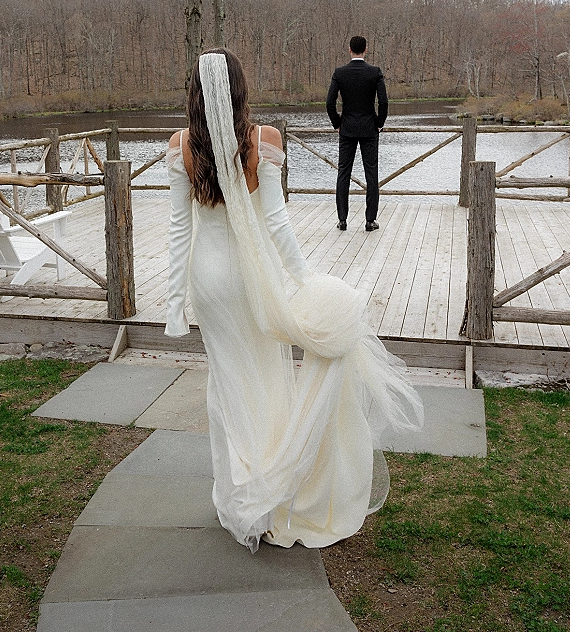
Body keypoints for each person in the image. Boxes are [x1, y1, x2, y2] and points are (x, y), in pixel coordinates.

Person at [165, 48, 423, 554]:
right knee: (264, 381)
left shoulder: (179, 146)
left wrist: (174, 302)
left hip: (208, 281)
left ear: (194, 93)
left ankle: (237, 497)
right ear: (240, 89)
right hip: (253, 279)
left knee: (226, 386)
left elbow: (179, 231)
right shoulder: (263, 141)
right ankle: (266, 488)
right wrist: (304, 279)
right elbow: (278, 223)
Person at [326, 36, 388, 231]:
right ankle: (370, 221)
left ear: (350, 49)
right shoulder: (374, 72)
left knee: (343, 173)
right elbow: (384, 102)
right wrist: (379, 124)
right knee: (371, 174)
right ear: (366, 50)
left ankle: (342, 220)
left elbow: (329, 103)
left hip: (347, 128)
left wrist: (338, 123)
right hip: (369, 129)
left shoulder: (340, 73)